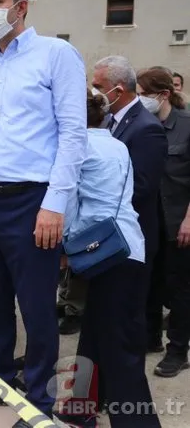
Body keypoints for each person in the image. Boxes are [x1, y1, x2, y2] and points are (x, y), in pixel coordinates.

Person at [0, 0, 87, 426]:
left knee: (35, 306)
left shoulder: (56, 55)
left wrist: (55, 204)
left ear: (21, 6)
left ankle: (42, 403)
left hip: (31, 201)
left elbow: (73, 135)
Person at [55, 90, 161, 428]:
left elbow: (69, 203)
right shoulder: (117, 144)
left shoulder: (76, 148)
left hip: (103, 252)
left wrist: (64, 247)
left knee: (119, 347)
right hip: (126, 247)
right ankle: (81, 408)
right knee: (96, 333)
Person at [91, 56, 168, 352]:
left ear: (118, 89)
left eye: (98, 86)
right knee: (106, 317)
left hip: (129, 238)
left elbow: (142, 187)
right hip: (109, 236)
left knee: (125, 317)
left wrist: (95, 194)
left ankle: (125, 389)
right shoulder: (111, 122)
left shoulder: (146, 128)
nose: (94, 91)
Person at [135, 68, 190, 377]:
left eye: (144, 94)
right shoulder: (141, 125)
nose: (140, 100)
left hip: (177, 221)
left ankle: (178, 349)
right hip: (146, 220)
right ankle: (150, 337)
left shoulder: (186, 126)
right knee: (149, 284)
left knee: (179, 288)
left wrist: (188, 221)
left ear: (164, 95)